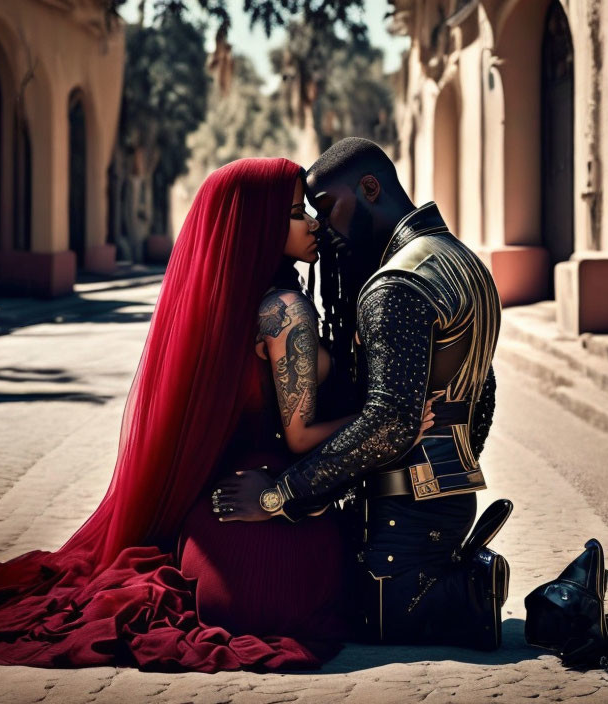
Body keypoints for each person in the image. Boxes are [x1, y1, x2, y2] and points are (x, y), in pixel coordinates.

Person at [0, 157, 405, 672]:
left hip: (213, 519)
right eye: (298, 213)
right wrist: (386, 418)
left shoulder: (233, 301)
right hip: (264, 511)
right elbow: (300, 439)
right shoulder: (285, 311)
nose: (314, 223)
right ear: (260, 224)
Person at [216, 138, 511, 650]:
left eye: (327, 208)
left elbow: (390, 423)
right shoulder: (463, 262)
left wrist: (279, 496)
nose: (321, 225)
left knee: (368, 621)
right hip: (447, 494)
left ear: (370, 188)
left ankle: (539, 599)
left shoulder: (396, 283)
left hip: (402, 507)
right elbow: (482, 389)